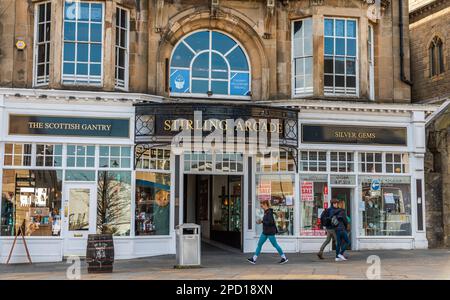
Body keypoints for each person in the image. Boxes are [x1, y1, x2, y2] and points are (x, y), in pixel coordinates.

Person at [247, 200, 288, 265]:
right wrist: (262, 221)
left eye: (262, 205)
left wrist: (262, 222)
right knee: (259, 244)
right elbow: (267, 221)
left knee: (275, 245)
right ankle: (254, 259)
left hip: (270, 232)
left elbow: (270, 222)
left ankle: (284, 258)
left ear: (265, 204)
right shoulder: (266, 212)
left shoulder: (269, 212)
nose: (261, 206)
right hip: (265, 232)